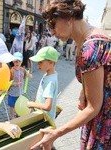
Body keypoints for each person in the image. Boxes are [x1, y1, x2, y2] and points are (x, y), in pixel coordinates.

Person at [30, 0, 111, 150]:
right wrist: (83, 92)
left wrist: (56, 133)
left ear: (68, 17)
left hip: (102, 123)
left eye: (52, 24)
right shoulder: (90, 36)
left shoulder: (90, 47)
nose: (52, 31)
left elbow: (94, 107)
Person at [27, 46, 60, 122]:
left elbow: (47, 106)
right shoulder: (51, 74)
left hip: (44, 120)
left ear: (51, 63)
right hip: (44, 116)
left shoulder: (49, 81)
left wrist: (32, 104)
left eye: (41, 62)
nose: (38, 65)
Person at [8, 52, 32, 119]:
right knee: (12, 106)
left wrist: (29, 75)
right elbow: (8, 83)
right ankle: (12, 117)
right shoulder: (11, 71)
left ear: (21, 62)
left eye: (19, 61)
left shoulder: (23, 70)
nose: (17, 63)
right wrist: (15, 84)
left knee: (19, 104)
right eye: (16, 61)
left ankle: (18, 114)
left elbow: (28, 75)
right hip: (12, 93)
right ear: (13, 62)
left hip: (20, 93)